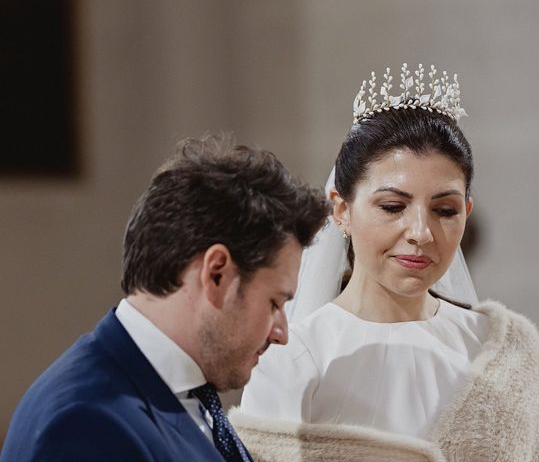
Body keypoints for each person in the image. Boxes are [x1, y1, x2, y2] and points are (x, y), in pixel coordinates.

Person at [231, 64, 539, 461]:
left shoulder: (498, 348)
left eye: (445, 210)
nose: (421, 232)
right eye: (393, 206)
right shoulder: (293, 356)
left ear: (467, 212)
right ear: (342, 211)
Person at [0, 136, 328, 462]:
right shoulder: (85, 426)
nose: (281, 333)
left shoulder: (188, 392)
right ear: (217, 274)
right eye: (274, 303)